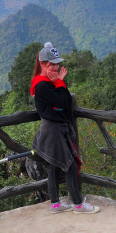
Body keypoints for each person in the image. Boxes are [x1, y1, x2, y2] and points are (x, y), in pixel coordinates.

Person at [31, 42, 100, 214]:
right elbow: (64, 102)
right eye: (52, 64)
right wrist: (61, 83)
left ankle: (55, 205)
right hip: (53, 130)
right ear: (42, 64)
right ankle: (78, 204)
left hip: (54, 129)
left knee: (54, 167)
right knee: (70, 167)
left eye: (57, 63)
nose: (56, 67)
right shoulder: (42, 85)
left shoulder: (46, 82)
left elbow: (65, 102)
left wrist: (58, 83)